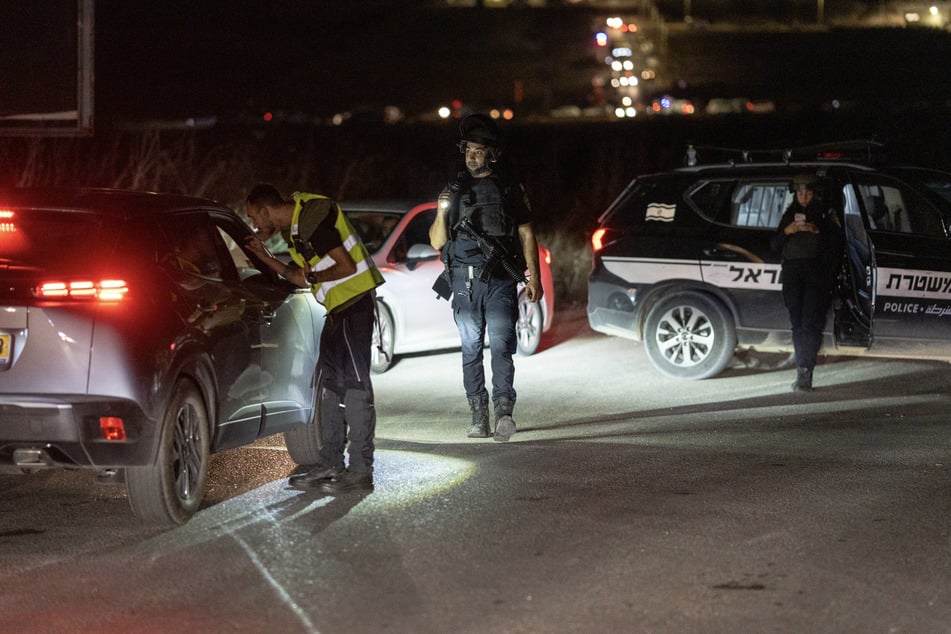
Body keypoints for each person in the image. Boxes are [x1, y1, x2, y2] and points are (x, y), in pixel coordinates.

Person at [244, 184, 385, 493]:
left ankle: (361, 471)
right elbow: (300, 277)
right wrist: (264, 255)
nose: (256, 224)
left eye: (255, 216)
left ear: (266, 210)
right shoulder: (296, 228)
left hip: (353, 307)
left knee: (355, 388)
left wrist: (316, 277)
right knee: (330, 391)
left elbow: (345, 266)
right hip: (337, 312)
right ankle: (331, 464)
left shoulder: (312, 220)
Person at [429, 113, 543, 441]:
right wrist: (441, 210)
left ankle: (504, 412)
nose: (471, 156)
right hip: (464, 283)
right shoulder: (453, 190)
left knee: (503, 345)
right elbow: (437, 241)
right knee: (470, 348)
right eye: (468, 151)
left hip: (500, 281)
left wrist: (534, 279)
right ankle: (478, 416)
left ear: (491, 154)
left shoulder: (508, 188)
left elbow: (526, 234)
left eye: (478, 151)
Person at [773, 173, 843, 392]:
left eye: (808, 193)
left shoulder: (824, 214)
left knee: (811, 323)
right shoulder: (788, 215)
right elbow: (774, 245)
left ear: (814, 194)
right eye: (800, 193)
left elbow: (838, 243)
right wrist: (788, 231)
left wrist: (817, 230)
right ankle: (800, 368)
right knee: (797, 323)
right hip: (793, 274)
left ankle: (806, 372)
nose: (804, 197)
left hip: (816, 275)